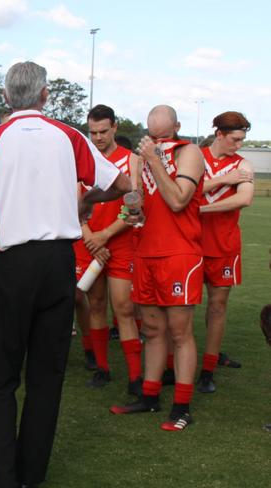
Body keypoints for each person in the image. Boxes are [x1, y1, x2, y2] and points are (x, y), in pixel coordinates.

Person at [0, 61, 129, 488]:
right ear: (44, 95)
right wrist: (87, 199)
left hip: (11, 263)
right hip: (58, 261)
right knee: (45, 376)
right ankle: (31, 476)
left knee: (1, 377)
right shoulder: (70, 136)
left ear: (6, 97)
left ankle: (3, 478)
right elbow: (122, 184)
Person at [110, 105, 205, 432]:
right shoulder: (141, 159)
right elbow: (139, 207)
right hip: (146, 253)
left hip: (179, 255)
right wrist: (132, 215)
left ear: (176, 127)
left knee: (180, 332)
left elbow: (179, 199)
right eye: (151, 136)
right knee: (151, 329)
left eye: (162, 135)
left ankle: (182, 406)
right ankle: (149, 395)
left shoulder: (189, 152)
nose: (156, 141)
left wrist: (154, 159)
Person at [77, 104, 142, 396]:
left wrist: (104, 235)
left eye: (103, 131)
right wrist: (90, 236)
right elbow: (72, 205)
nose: (98, 137)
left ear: (115, 127)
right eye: (93, 132)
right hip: (88, 242)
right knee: (96, 305)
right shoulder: (81, 161)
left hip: (120, 242)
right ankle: (102, 368)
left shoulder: (133, 161)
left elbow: (135, 209)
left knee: (124, 307)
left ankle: (135, 376)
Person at [197, 112, 254, 393]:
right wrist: (223, 179)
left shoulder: (243, 164)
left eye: (242, 139)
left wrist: (200, 209)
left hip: (224, 246)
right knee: (178, 309)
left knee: (217, 306)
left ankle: (208, 370)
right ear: (219, 133)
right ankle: (171, 365)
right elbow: (186, 189)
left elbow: (244, 198)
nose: (239, 145)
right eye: (235, 139)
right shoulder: (194, 157)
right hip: (191, 244)